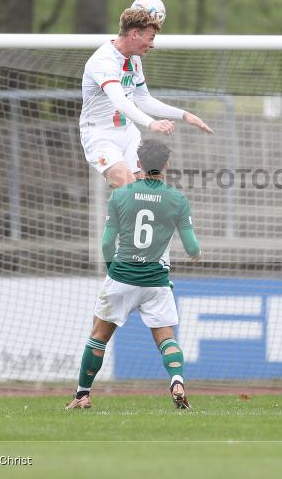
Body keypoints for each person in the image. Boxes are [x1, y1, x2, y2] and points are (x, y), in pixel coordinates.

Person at [66, 139, 202, 410]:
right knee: (167, 338)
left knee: (98, 336)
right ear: (166, 165)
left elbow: (106, 244)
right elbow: (192, 248)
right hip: (156, 282)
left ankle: (82, 395)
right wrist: (195, 252)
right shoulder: (177, 200)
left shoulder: (120, 195)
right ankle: (177, 380)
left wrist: (112, 269)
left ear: (138, 164)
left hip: (122, 277)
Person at [79, 5, 213, 189]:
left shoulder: (134, 59)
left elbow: (143, 100)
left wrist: (185, 115)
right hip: (100, 136)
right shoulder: (103, 61)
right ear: (134, 33)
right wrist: (152, 123)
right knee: (129, 192)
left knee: (146, 193)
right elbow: (119, 101)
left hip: (128, 134)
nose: (152, 44)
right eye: (150, 38)